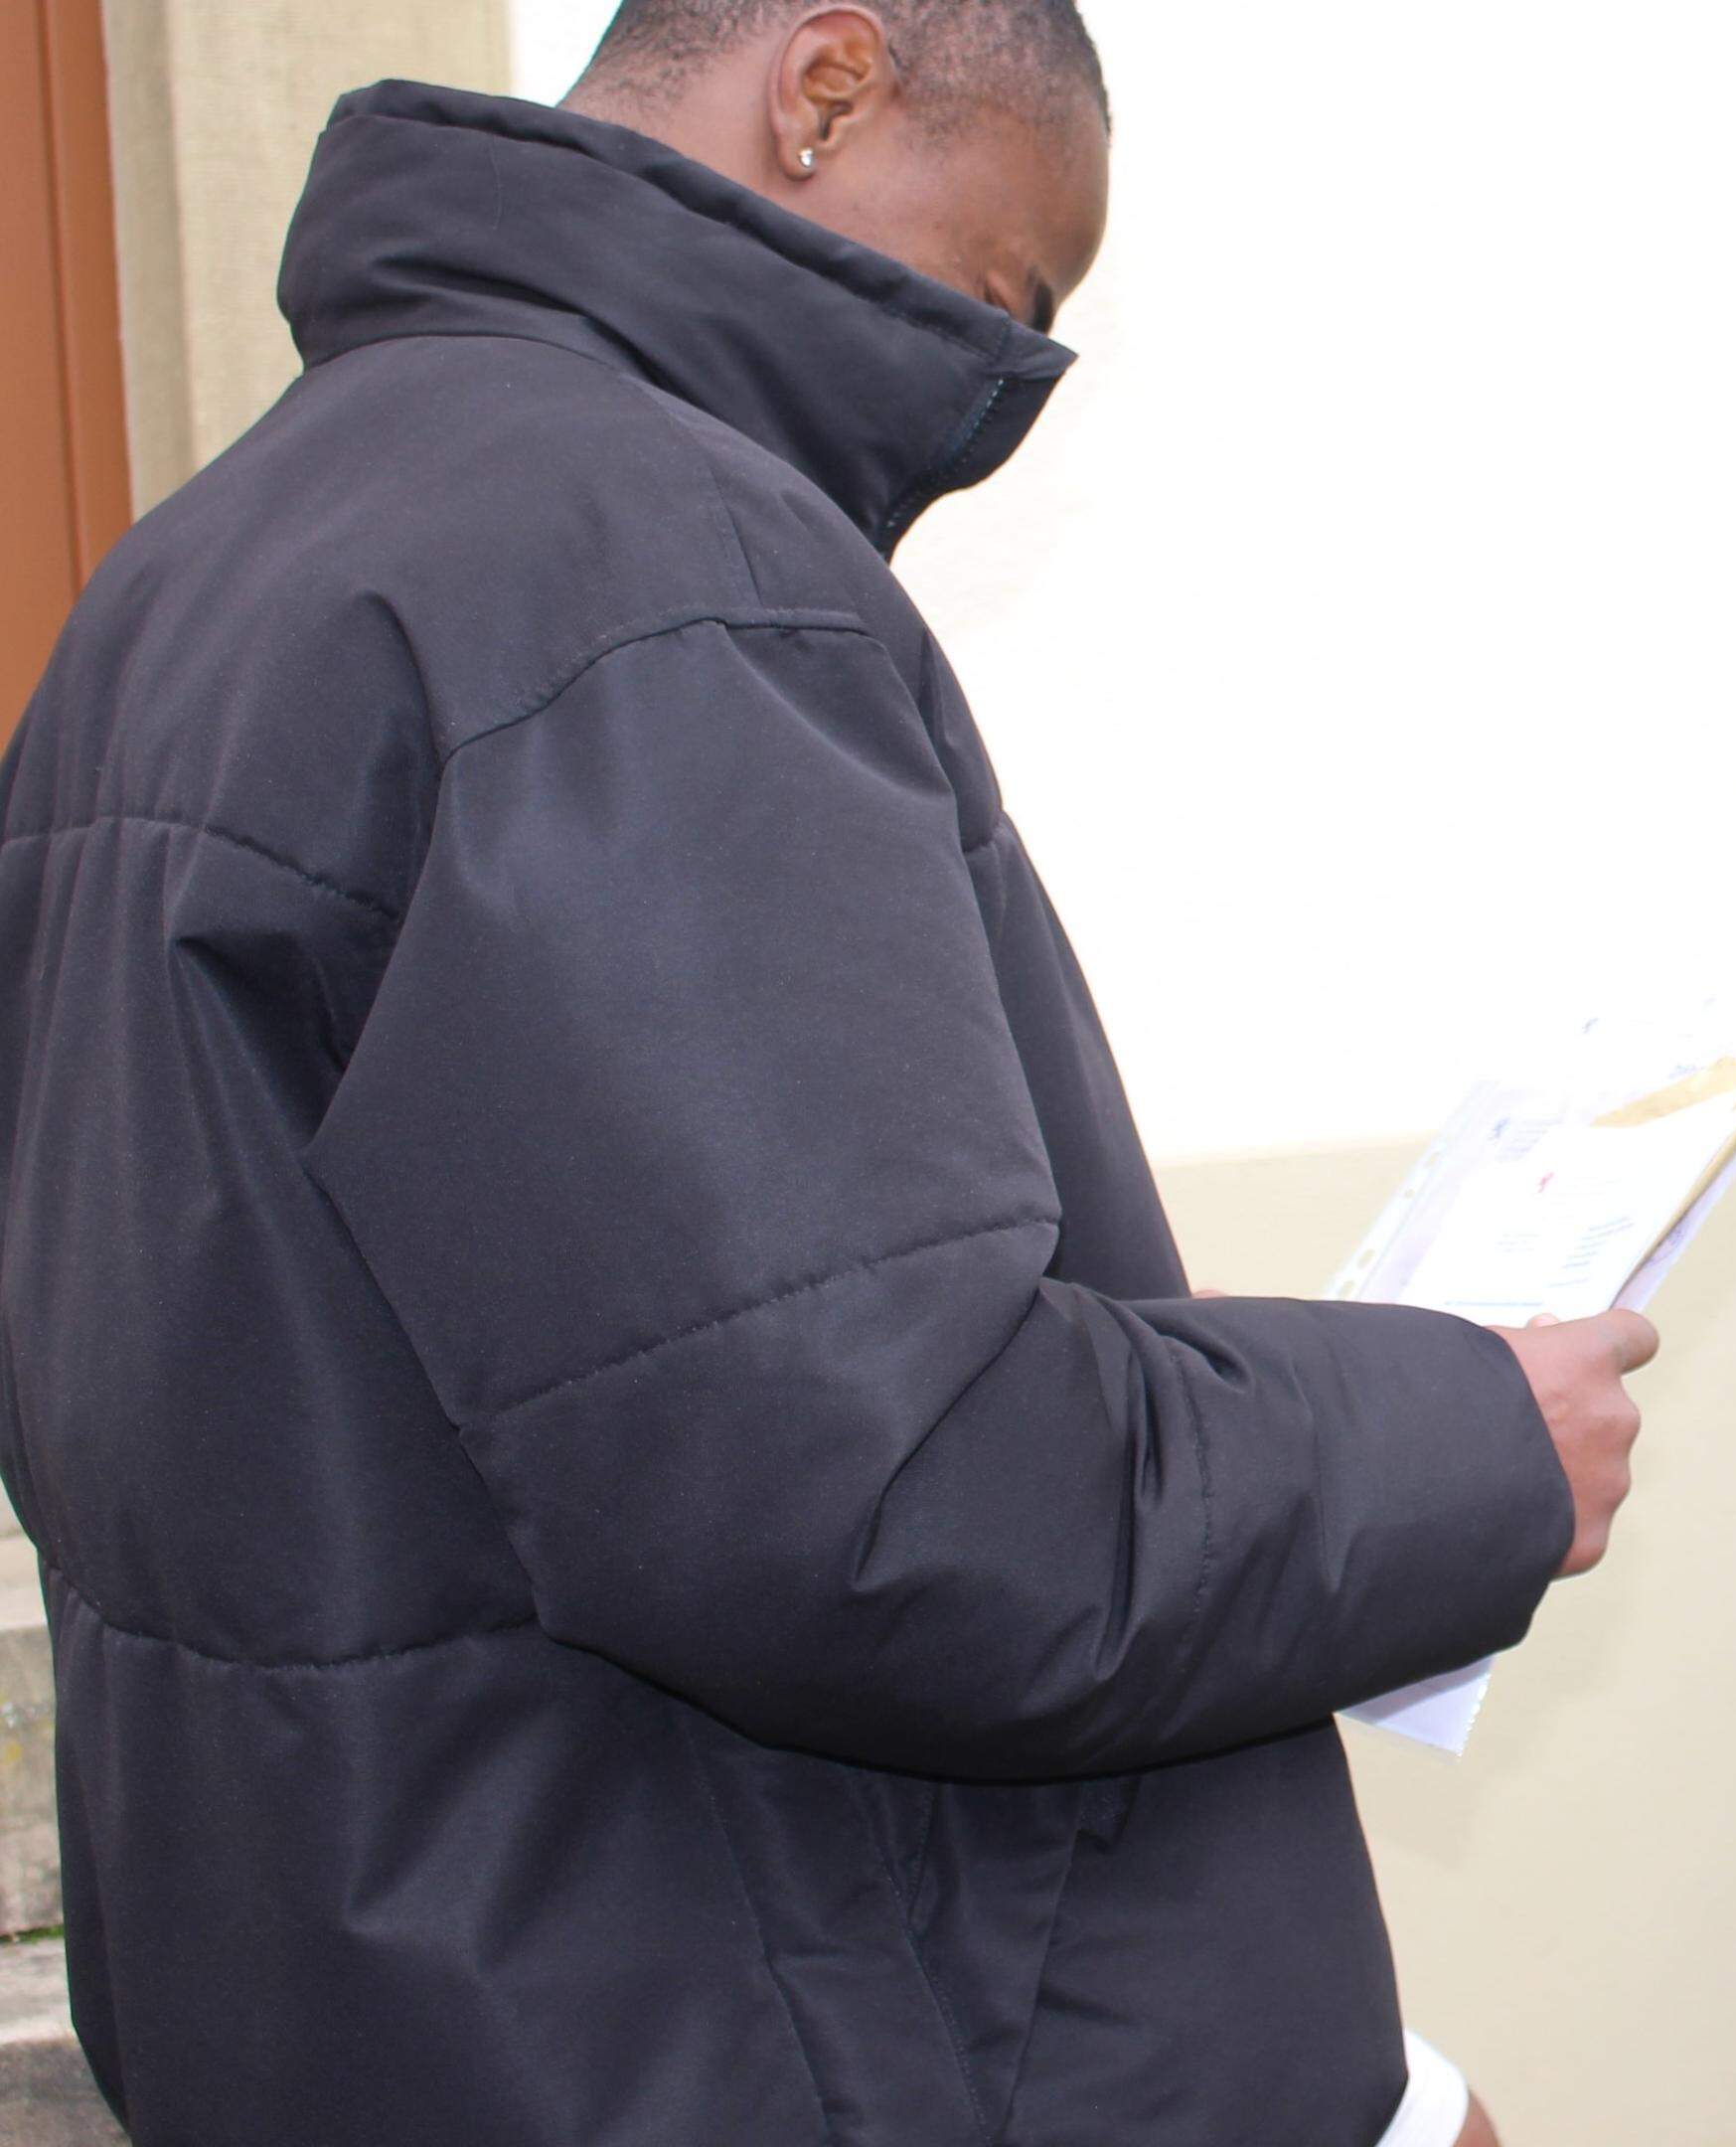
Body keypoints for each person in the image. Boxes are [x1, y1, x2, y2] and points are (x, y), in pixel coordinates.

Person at [0, 3, 1649, 2141]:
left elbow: (561, 1396)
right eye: (1004, 291)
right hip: (730, 2021)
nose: (1003, 388)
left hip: (395, 2000)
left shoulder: (189, 578)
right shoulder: (654, 571)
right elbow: (889, 1501)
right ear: (829, 83)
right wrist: (1467, 1443)